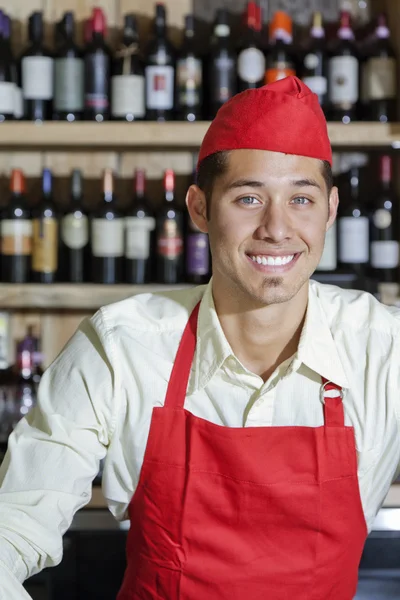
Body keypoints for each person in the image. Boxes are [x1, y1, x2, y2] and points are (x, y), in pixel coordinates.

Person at [1, 76, 400, 600]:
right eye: (248, 198)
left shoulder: (383, 347)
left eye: (301, 199)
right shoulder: (121, 347)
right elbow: (15, 524)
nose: (277, 228)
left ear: (329, 209)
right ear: (199, 208)